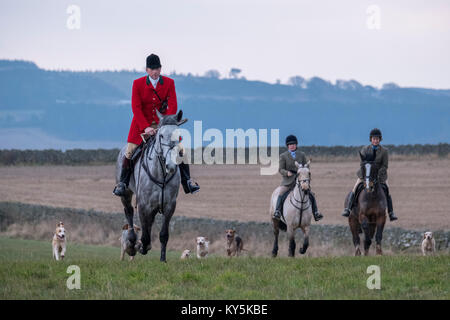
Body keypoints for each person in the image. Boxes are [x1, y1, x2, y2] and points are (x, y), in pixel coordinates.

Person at [113, 54, 200, 196]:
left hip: (164, 125)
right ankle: (122, 183)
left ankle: (187, 181)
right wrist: (146, 127)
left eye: (157, 69)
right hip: (141, 124)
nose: (154, 72)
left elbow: (173, 105)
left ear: (160, 69)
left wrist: (164, 125)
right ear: (147, 70)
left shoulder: (169, 83)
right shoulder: (137, 84)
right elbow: (136, 107)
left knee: (181, 149)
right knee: (129, 151)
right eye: (151, 69)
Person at [341, 128, 398, 221]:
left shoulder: (384, 151)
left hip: (380, 176)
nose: (375, 140)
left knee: (387, 190)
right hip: (365, 174)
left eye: (377, 139)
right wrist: (366, 174)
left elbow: (385, 165)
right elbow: (362, 164)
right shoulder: (365, 149)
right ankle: (348, 209)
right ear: (371, 139)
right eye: (374, 139)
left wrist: (377, 173)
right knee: (355, 188)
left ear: (380, 140)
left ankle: (391, 212)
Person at [273, 135, 324, 221]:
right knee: (281, 193)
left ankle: (316, 213)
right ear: (287, 146)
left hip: (301, 181)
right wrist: (286, 173)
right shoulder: (283, 156)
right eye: (290, 144)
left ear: (296, 145)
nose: (292, 146)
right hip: (288, 182)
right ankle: (277, 211)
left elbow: (306, 167)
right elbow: (280, 169)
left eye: (293, 144)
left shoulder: (302, 155)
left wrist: (305, 174)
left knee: (311, 194)